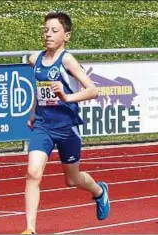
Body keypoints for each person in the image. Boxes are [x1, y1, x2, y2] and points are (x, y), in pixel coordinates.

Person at [21, 12, 110, 234]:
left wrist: (67, 97)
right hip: (43, 125)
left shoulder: (67, 60)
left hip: (67, 126)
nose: (48, 34)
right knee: (33, 173)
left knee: (72, 179)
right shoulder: (36, 59)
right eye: (45, 30)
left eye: (54, 30)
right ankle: (30, 229)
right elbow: (40, 90)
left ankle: (99, 191)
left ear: (66, 35)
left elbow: (93, 90)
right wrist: (33, 113)